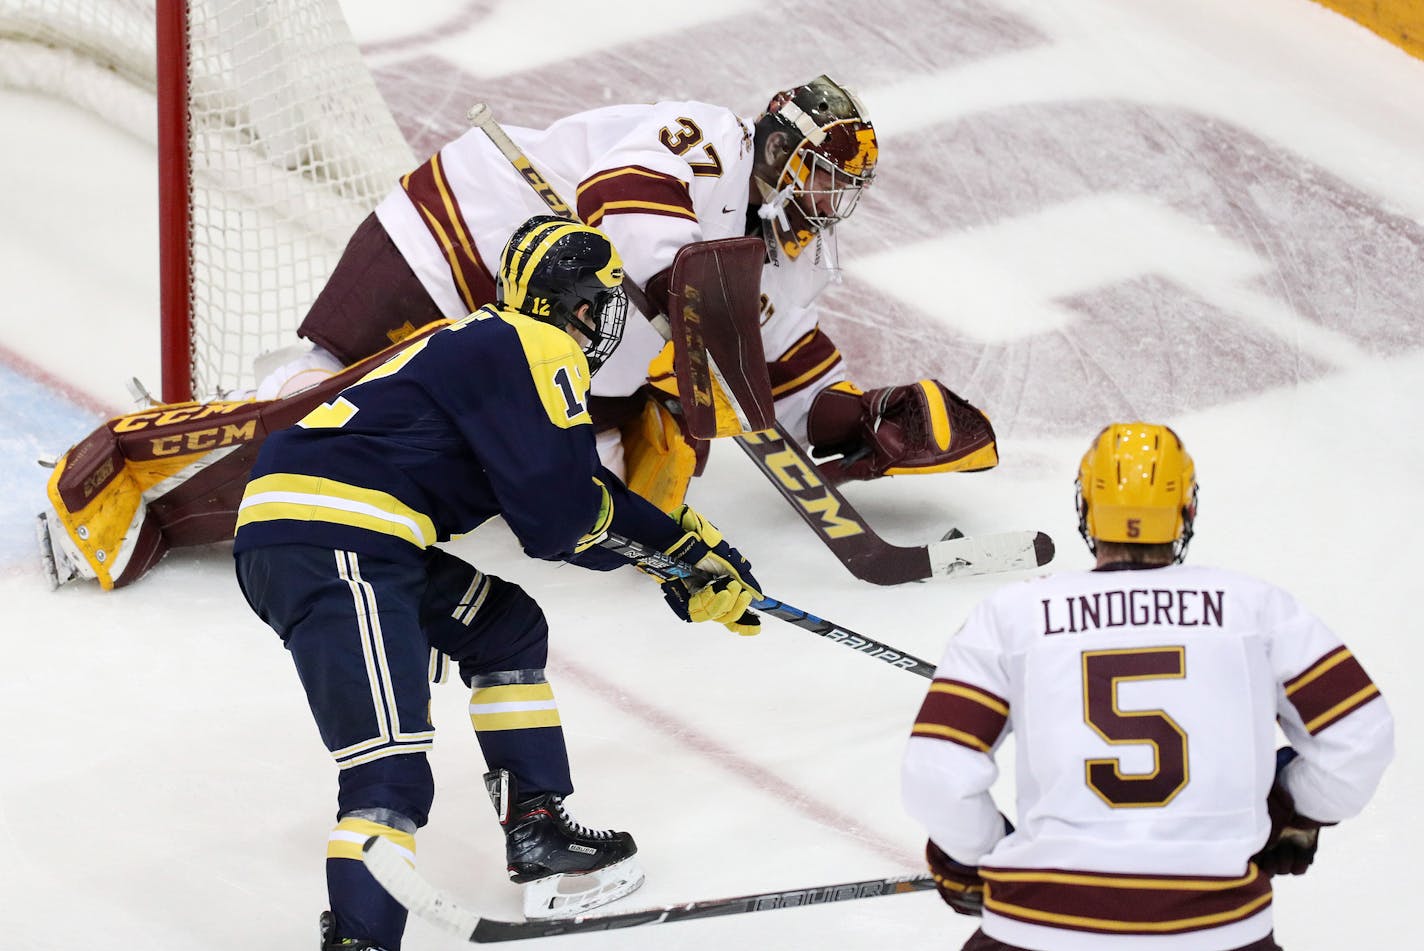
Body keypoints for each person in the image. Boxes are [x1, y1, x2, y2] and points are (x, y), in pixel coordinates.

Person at [35, 73, 1000, 591]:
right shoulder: (709, 138)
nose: (835, 199)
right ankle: (128, 477)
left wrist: (857, 418)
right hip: (466, 237)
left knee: (567, 456)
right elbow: (618, 202)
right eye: (825, 174)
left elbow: (775, 375)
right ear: (783, 151)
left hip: (553, 331)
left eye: (848, 186)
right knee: (323, 406)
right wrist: (684, 308)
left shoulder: (798, 258)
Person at [234, 216, 763, 951]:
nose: (608, 317)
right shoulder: (537, 346)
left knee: (504, 627)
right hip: (336, 535)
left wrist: (675, 549)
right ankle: (361, 941)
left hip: (340, 531)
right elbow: (561, 517)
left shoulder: (490, 342)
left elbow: (561, 501)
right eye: (604, 300)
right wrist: (674, 553)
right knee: (388, 777)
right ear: (577, 304)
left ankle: (536, 825)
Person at [901, 422, 1393, 951]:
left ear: (1085, 508)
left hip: (1038, 931)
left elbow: (937, 772)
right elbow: (1359, 739)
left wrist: (975, 855)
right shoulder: (1256, 610)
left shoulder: (1014, 614)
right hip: (1219, 932)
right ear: (1188, 510)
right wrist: (1291, 808)